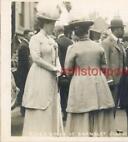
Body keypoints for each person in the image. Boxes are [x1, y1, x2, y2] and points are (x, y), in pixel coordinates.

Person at [64, 16, 115, 137]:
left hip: (80, 82)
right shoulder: (98, 46)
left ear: (76, 33)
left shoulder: (72, 48)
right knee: (97, 109)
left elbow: (68, 70)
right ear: (88, 31)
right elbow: (104, 68)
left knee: (82, 110)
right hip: (98, 82)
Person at [22, 3, 63, 136]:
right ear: (45, 23)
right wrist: (53, 68)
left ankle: (51, 133)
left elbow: (56, 57)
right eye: (52, 24)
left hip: (51, 76)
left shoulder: (52, 40)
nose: (53, 26)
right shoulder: (35, 38)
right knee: (40, 102)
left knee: (51, 102)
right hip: (39, 74)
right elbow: (36, 58)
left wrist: (59, 67)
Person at [101, 18, 126, 117]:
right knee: (110, 106)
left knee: (114, 105)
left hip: (120, 79)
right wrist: (109, 79)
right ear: (116, 29)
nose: (123, 31)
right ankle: (108, 129)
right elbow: (105, 62)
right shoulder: (107, 43)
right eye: (122, 29)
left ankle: (111, 127)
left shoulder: (119, 43)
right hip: (112, 80)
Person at [54, 24, 73, 121]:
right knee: (69, 93)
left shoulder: (57, 42)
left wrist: (61, 72)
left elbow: (59, 59)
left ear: (57, 31)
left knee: (62, 94)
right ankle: (70, 112)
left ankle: (65, 113)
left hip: (62, 72)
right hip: (71, 72)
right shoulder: (71, 41)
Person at [16, 29, 33, 116]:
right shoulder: (24, 46)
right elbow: (25, 62)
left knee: (24, 90)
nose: (32, 36)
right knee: (24, 90)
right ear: (26, 35)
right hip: (24, 72)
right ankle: (23, 110)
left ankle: (24, 108)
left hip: (23, 72)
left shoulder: (25, 45)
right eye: (30, 35)